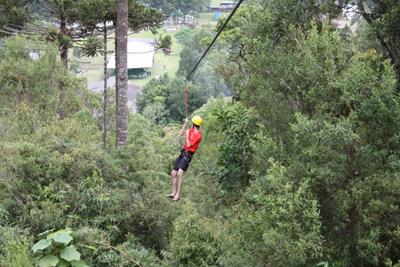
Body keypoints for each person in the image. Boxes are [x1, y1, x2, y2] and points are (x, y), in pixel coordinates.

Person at [167, 115, 203, 201]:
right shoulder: (190, 130)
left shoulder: (198, 135)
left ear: (194, 123)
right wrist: (185, 124)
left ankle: (178, 194)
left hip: (188, 155)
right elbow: (180, 134)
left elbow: (189, 144)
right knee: (173, 173)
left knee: (180, 173)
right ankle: (173, 192)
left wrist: (187, 135)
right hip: (183, 153)